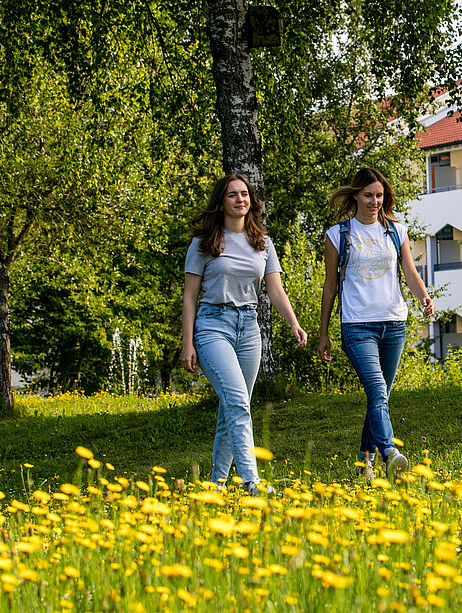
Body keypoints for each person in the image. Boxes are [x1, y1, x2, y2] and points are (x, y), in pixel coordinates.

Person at [181, 173, 307, 494]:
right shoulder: (204, 243)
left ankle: (216, 485)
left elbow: (275, 291)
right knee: (238, 401)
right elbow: (189, 296)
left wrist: (293, 322)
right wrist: (187, 343)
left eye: (245, 194)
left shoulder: (262, 243)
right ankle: (251, 480)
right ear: (221, 202)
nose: (240, 199)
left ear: (251, 201)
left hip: (249, 328)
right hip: (212, 326)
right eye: (232, 195)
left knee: (232, 406)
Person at [317, 167, 434, 481]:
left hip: (394, 323)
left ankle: (362, 462)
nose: (374, 201)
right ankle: (389, 452)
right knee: (376, 389)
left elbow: (409, 271)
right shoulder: (338, 235)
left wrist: (423, 297)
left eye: (379, 195)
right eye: (368, 195)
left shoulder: (396, 231)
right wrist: (323, 332)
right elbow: (330, 286)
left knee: (379, 397)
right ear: (356, 195)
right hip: (357, 325)